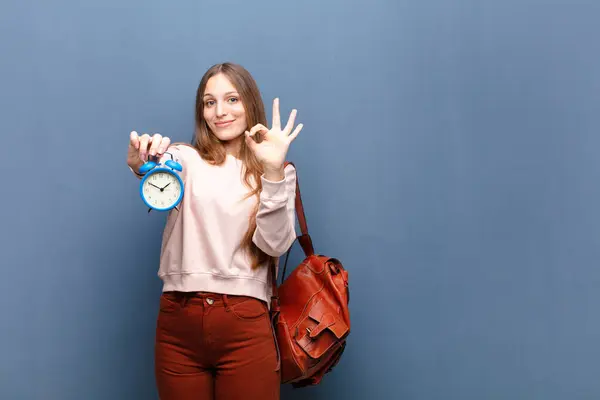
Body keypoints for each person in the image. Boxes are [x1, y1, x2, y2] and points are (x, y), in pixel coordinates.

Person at [126, 62, 302, 400]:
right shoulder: (185, 159)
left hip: (245, 325)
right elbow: (154, 169)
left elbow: (275, 244)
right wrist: (139, 161)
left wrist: (274, 170)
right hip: (178, 323)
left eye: (232, 99)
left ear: (250, 103)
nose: (220, 112)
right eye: (210, 102)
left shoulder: (276, 172)